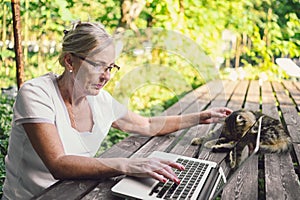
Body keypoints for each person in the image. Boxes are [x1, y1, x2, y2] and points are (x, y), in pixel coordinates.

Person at [2, 21, 232, 199]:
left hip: (80, 192)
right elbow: (59, 164)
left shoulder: (101, 101)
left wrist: (200, 117)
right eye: (98, 65)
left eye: (110, 67)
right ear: (70, 62)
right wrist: (127, 164)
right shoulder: (36, 93)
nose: (107, 76)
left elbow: (147, 125)